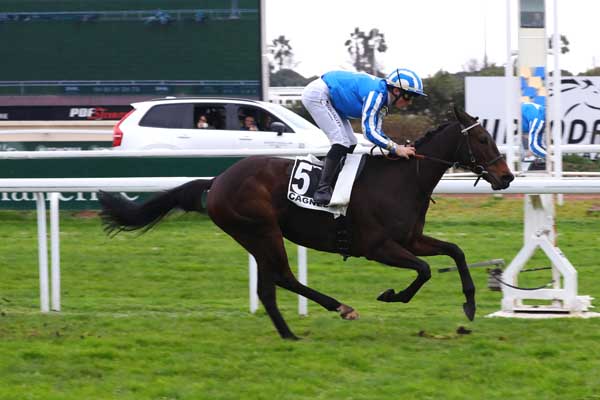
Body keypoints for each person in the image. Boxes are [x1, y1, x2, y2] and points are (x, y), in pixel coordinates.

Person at [301, 68, 425, 205]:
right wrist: (395, 148)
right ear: (396, 91)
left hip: (332, 98)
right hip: (318, 95)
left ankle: (334, 181)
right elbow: (369, 133)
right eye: (409, 96)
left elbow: (376, 131)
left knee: (351, 142)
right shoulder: (377, 95)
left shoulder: (383, 99)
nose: (410, 101)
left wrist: (395, 147)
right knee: (341, 142)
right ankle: (321, 190)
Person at [521, 101, 546, 168]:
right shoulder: (538, 118)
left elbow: (534, 145)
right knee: (534, 146)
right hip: (534, 116)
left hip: (535, 116)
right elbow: (533, 146)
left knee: (532, 147)